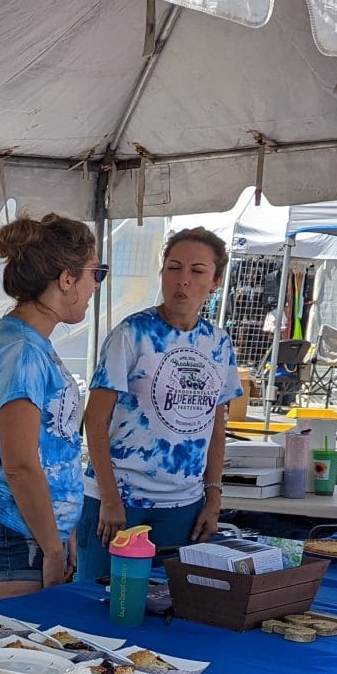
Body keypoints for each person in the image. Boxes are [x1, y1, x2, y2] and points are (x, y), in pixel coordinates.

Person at [77, 227, 241, 577]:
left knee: (169, 605)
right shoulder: (131, 334)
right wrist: (108, 497)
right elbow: (94, 420)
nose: (182, 281)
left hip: (183, 504)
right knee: (97, 602)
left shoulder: (219, 343)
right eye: (173, 267)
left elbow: (216, 424)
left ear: (215, 281)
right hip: (119, 500)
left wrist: (213, 497)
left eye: (197, 272)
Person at [0, 214, 99, 600]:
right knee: (16, 654)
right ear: (67, 279)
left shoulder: (31, 344)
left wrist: (62, 531)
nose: (94, 287)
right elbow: (20, 464)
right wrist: (52, 547)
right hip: (17, 536)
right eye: (95, 273)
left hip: (34, 535)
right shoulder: (21, 352)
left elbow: (54, 450)